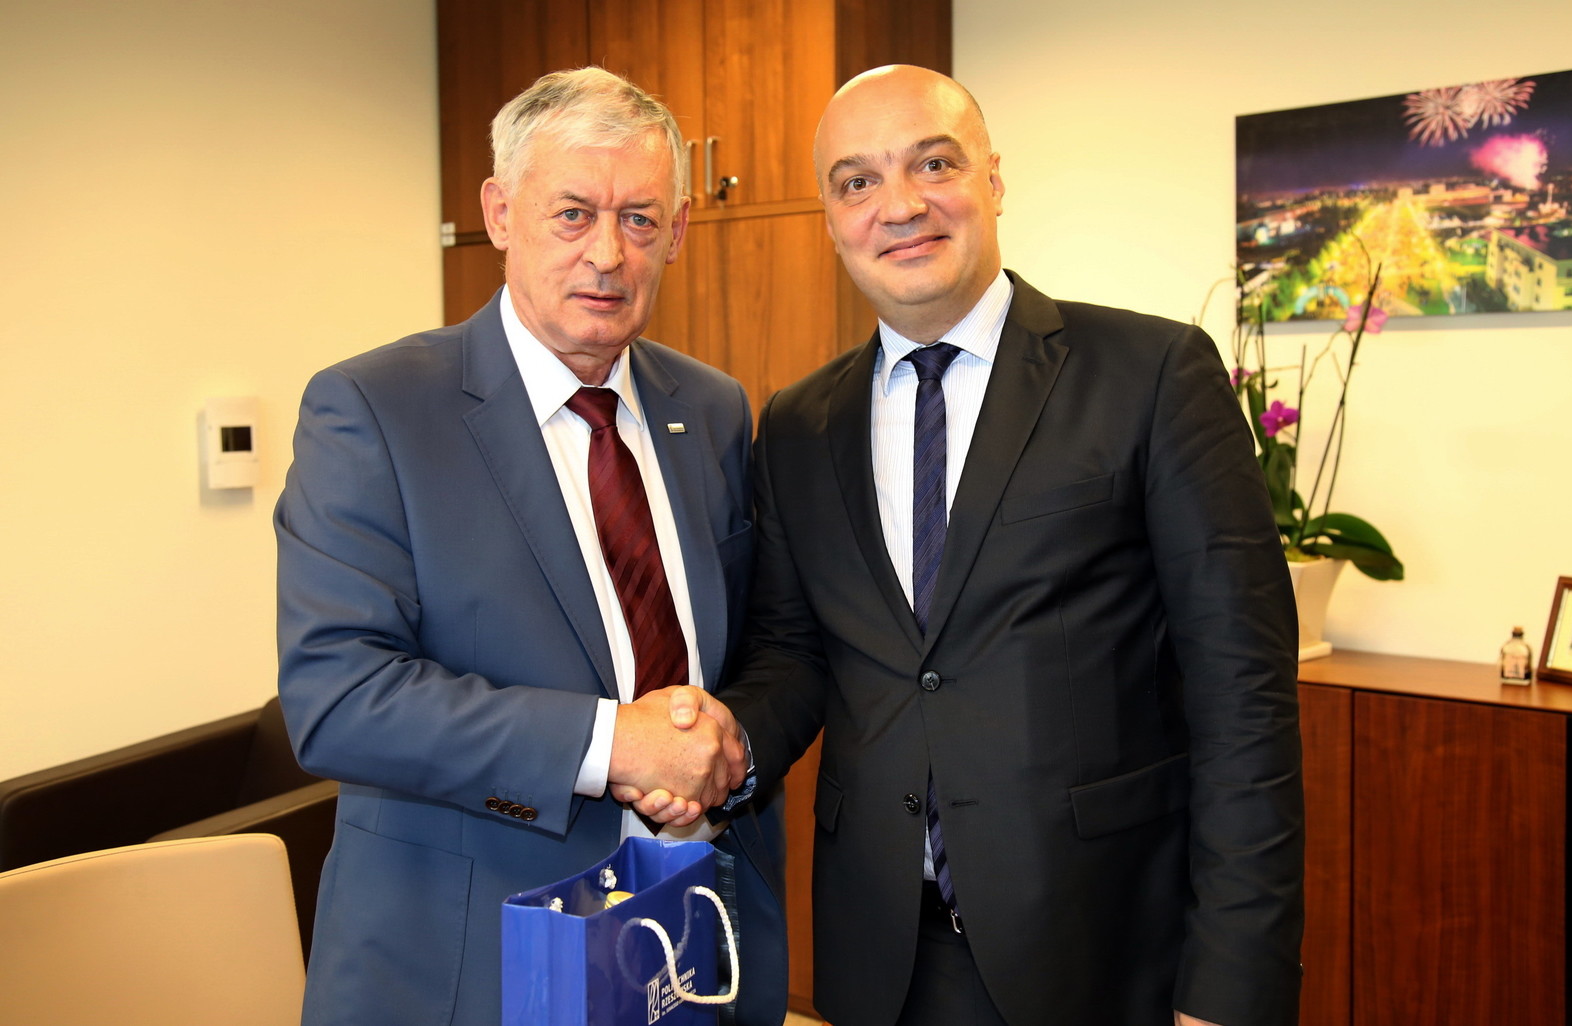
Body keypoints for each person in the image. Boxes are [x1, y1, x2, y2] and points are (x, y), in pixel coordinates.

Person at [649, 65, 1305, 1025]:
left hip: (1104, 945)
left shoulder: (1151, 374)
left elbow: (1244, 695)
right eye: (858, 181)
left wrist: (1231, 985)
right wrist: (726, 747)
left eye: (934, 163)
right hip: (883, 956)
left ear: (993, 179)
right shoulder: (796, 424)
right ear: (832, 218)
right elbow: (793, 653)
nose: (900, 205)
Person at [275, 67, 786, 1026]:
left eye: (640, 219)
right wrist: (611, 744)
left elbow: (753, 640)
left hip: (684, 929)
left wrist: (714, 750)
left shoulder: (711, 408)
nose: (608, 254)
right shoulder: (375, 409)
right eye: (572, 214)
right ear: (500, 213)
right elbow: (338, 698)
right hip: (470, 958)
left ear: (679, 231)